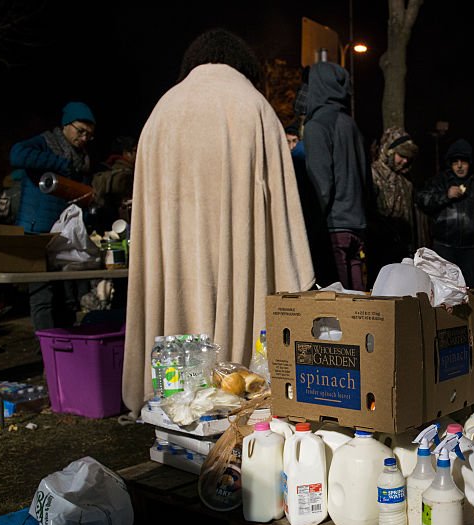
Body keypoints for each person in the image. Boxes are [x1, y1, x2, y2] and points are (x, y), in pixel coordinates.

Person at [121, 28, 314, 414]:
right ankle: (238, 381)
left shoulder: (163, 110)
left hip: (176, 260)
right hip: (239, 264)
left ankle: (171, 393)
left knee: (176, 294)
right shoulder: (254, 107)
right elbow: (284, 213)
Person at [9, 102, 96, 330]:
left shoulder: (82, 159)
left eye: (89, 134)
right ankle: (47, 351)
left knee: (65, 296)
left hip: (62, 234)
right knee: (42, 294)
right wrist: (58, 163)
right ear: (66, 125)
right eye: (81, 131)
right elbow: (17, 154)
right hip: (35, 230)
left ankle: (65, 346)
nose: (84, 138)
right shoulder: (45, 143)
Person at [302, 61, 371, 290]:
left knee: (337, 307)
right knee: (358, 304)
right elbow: (365, 178)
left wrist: (309, 225)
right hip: (356, 225)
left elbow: (320, 185)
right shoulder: (350, 124)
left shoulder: (317, 126)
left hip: (333, 228)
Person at [417, 139, 474, 288]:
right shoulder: (440, 181)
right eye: (455, 161)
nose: (459, 165)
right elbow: (422, 200)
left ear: (470, 162)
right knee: (445, 290)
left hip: (473, 249)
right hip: (445, 247)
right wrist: (445, 195)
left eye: (463, 161)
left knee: (471, 290)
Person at [369, 126, 420, 276]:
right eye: (401, 155)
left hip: (403, 249)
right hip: (380, 246)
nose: (405, 161)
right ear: (389, 151)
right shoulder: (373, 173)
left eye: (408, 158)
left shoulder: (407, 181)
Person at [91, 135, 137, 232]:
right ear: (126, 153)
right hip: (119, 224)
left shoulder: (108, 168)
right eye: (135, 151)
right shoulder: (125, 174)